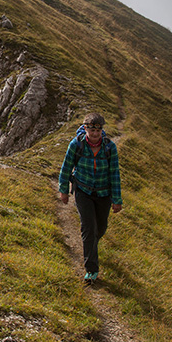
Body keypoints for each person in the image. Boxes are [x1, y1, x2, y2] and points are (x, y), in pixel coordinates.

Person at [58, 112, 122, 285]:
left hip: (103, 194)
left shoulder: (109, 148)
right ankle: (91, 270)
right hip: (83, 191)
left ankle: (91, 244)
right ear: (85, 129)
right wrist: (64, 191)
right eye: (91, 130)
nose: (95, 134)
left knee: (100, 228)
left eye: (98, 131)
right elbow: (66, 167)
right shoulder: (76, 144)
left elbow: (114, 174)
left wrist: (117, 200)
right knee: (88, 228)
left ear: (102, 130)